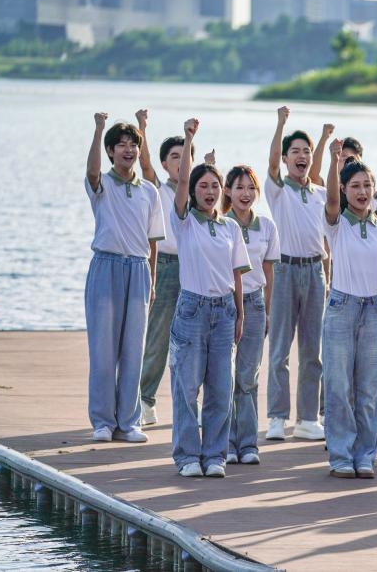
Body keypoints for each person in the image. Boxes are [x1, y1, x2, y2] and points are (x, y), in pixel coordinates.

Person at [167, 118, 250, 478]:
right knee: (187, 387)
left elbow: (237, 275)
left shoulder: (231, 226)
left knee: (221, 387)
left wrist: (241, 315)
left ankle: (214, 454)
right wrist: (189, 140)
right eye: (204, 185)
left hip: (225, 310)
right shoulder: (185, 221)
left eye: (215, 185)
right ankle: (187, 456)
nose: (210, 190)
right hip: (192, 308)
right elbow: (182, 180)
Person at [322, 141, 377, 478]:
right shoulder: (336, 222)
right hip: (342, 306)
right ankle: (341, 454)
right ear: (343, 189)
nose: (362, 191)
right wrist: (331, 160)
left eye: (367, 185)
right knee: (339, 386)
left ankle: (365, 454)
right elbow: (328, 200)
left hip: (374, 310)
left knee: (369, 387)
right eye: (355, 186)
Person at [84, 113, 164, 443]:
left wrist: (154, 279)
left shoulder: (149, 191)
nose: (128, 150)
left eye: (133, 145)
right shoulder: (101, 184)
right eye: (121, 145)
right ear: (110, 151)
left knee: (134, 348)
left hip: (138, 269)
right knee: (103, 349)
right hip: (105, 267)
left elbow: (153, 241)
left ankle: (129, 421)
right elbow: (90, 171)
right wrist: (99, 128)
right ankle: (103, 421)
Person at [135, 109, 213, 426]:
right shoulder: (157, 187)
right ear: (165, 163)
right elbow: (143, 163)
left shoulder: (197, 194)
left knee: (194, 339)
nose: (181, 162)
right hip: (165, 266)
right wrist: (142, 127)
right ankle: (145, 399)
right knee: (158, 335)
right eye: (174, 156)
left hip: (195, 268)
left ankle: (189, 405)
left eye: (186, 156)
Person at [264, 106, 329, 442]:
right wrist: (281, 124)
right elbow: (272, 162)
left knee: (312, 351)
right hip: (285, 270)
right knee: (279, 349)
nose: (301, 156)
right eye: (296, 152)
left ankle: (306, 418)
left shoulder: (321, 194)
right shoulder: (278, 189)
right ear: (287, 160)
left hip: (315, 271)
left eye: (306, 151)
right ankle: (277, 416)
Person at [222, 165, 281, 465]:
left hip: (255, 304)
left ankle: (247, 444)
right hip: (224, 304)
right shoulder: (220, 223)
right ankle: (225, 443)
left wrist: (267, 312)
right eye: (239, 187)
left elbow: (268, 272)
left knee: (248, 377)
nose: (245, 194)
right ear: (227, 191)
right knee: (224, 377)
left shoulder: (267, 226)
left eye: (251, 188)